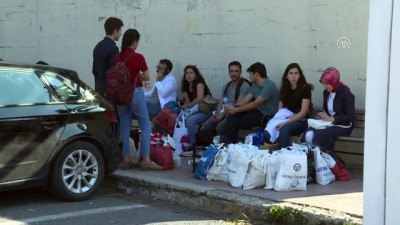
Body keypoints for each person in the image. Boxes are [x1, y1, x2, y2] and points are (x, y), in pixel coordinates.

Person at [117, 29, 162, 170]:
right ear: (135, 41)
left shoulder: (117, 57)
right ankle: (146, 159)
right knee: (145, 124)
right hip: (134, 93)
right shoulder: (138, 57)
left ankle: (124, 158)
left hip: (119, 95)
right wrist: (139, 76)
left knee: (125, 125)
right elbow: (147, 76)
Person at [220, 62, 279, 144]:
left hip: (266, 116)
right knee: (233, 115)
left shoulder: (269, 85)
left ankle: (228, 142)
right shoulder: (255, 85)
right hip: (257, 112)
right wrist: (233, 107)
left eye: (250, 74)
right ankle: (229, 142)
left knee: (234, 118)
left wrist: (236, 110)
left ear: (256, 74)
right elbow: (245, 100)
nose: (249, 76)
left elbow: (256, 103)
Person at [302, 67, 355, 153]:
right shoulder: (326, 92)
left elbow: (350, 116)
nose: (325, 86)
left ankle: (319, 158)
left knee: (322, 133)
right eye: (324, 83)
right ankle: (305, 156)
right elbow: (326, 111)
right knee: (309, 131)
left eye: (327, 83)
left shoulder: (345, 92)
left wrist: (333, 119)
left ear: (334, 82)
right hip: (330, 123)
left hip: (344, 125)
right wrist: (322, 116)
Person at [263, 63, 314, 148]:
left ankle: (284, 155)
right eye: (291, 73)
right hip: (289, 117)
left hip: (302, 121)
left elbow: (304, 112)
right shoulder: (285, 88)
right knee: (270, 126)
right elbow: (280, 108)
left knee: (284, 129)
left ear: (299, 75)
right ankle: (274, 151)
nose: (293, 76)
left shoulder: (305, 88)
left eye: (296, 73)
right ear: (287, 76)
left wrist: (285, 122)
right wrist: (287, 117)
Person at [201, 61, 251, 134]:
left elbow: (238, 104)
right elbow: (221, 102)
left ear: (240, 72)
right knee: (205, 126)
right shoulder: (226, 86)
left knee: (219, 127)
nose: (233, 74)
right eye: (231, 71)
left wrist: (221, 115)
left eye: (236, 71)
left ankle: (220, 144)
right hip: (224, 112)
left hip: (236, 114)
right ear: (229, 72)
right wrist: (217, 115)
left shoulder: (244, 86)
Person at [181, 65, 213, 147]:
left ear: (196, 75)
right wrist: (187, 106)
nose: (189, 75)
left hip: (205, 110)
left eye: (191, 73)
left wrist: (188, 105)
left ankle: (194, 146)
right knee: (181, 118)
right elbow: (188, 104)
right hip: (194, 110)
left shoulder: (199, 84)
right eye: (187, 73)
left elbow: (199, 98)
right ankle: (184, 144)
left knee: (191, 120)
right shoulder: (185, 86)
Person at [92, 17, 123, 97]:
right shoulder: (113, 48)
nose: (121, 34)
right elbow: (114, 72)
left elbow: (94, 70)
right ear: (115, 31)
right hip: (108, 90)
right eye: (120, 31)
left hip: (98, 86)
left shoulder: (98, 46)